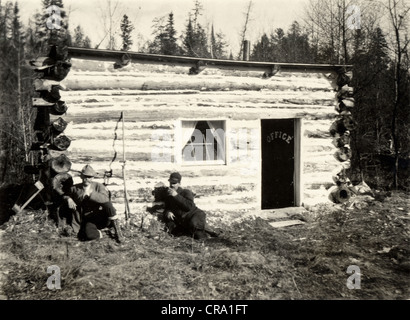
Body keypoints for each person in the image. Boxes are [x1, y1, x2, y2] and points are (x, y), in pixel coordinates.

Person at [61, 164, 122, 242]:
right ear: (81, 176)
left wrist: (91, 194)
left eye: (89, 177)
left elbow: (105, 199)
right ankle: (103, 233)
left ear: (93, 177)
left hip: (100, 216)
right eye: (85, 176)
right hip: (87, 219)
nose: (87, 179)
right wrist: (69, 199)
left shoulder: (98, 186)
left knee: (108, 204)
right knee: (89, 235)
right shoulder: (75, 188)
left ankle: (117, 230)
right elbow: (65, 195)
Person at [162, 172, 217, 240]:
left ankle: (210, 237)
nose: (172, 185)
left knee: (198, 233)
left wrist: (176, 195)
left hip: (195, 215)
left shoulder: (186, 192)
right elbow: (167, 207)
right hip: (184, 221)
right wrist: (168, 211)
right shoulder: (169, 195)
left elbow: (189, 206)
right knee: (180, 233)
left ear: (179, 183)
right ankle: (209, 232)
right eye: (171, 183)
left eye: (174, 183)